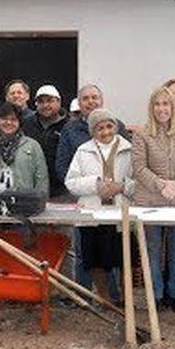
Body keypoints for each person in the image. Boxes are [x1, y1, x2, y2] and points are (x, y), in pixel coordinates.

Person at [133, 85, 175, 312]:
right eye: (157, 104)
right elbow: (139, 167)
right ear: (152, 107)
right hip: (149, 200)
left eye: (166, 104)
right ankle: (155, 295)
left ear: (174, 106)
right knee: (152, 249)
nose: (162, 108)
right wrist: (160, 184)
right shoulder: (142, 133)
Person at [65, 109, 135, 300]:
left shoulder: (130, 150)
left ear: (115, 127)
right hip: (92, 213)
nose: (105, 132)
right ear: (92, 131)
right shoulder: (83, 151)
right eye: (99, 128)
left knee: (119, 259)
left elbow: (139, 183)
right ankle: (104, 299)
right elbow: (70, 182)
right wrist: (95, 185)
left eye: (109, 126)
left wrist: (121, 187)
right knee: (94, 260)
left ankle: (121, 298)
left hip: (119, 212)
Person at [23, 85, 70, 198]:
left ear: (59, 102)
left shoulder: (69, 125)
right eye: (41, 102)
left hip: (61, 189)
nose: (45, 105)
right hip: (31, 186)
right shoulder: (27, 123)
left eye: (50, 101)